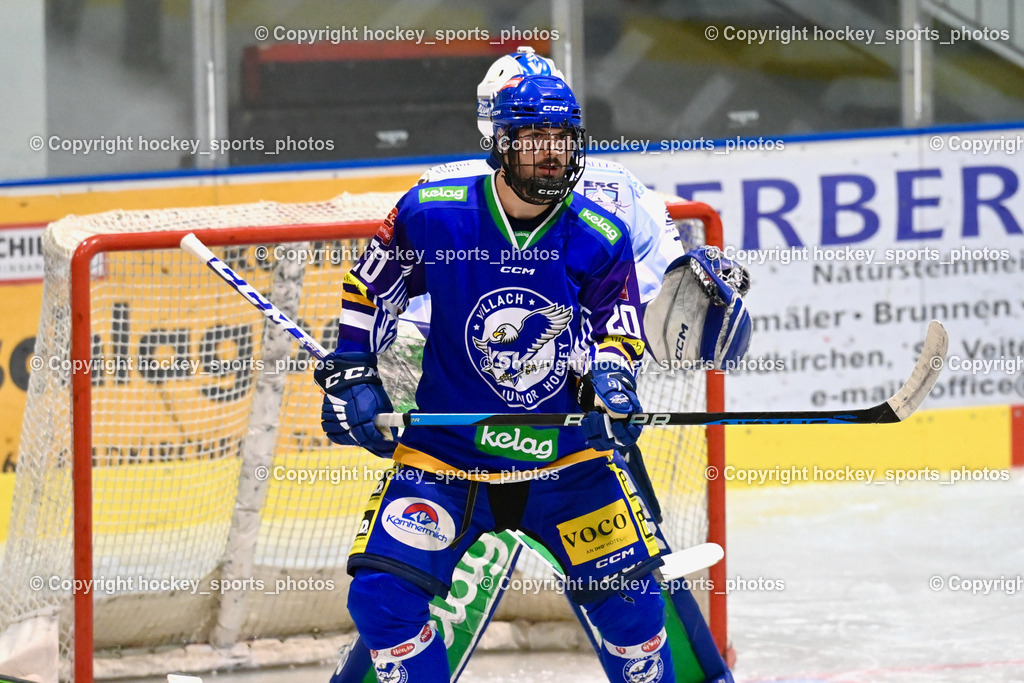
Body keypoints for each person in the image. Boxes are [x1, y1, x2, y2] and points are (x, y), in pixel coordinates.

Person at [332, 49, 747, 683]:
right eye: (532, 139)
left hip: (567, 454)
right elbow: (372, 288)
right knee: (382, 600)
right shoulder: (433, 207)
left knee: (634, 611)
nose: (551, 153)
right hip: (448, 452)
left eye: (561, 138)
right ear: (497, 143)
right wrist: (354, 372)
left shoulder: (599, 229)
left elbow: (623, 321)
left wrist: (613, 376)